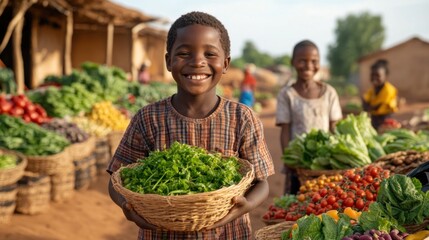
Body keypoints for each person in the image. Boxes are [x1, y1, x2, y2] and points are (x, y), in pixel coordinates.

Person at [107, 11, 274, 240]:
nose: (197, 61)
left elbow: (262, 182)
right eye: (184, 53)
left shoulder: (242, 118)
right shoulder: (148, 118)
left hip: (228, 233)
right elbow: (116, 179)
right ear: (168, 61)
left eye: (209, 53)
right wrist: (129, 207)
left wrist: (245, 205)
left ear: (225, 64)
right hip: (162, 233)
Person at [275, 40, 343, 195]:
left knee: (324, 201)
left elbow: (335, 127)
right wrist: (289, 160)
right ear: (293, 62)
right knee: (296, 202)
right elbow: (285, 130)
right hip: (298, 164)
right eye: (302, 61)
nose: (308, 66)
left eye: (314, 61)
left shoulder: (329, 93)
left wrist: (335, 157)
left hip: (325, 162)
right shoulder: (287, 94)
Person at [362, 59, 398, 130]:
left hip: (385, 121)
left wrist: (367, 106)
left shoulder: (389, 90)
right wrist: (366, 106)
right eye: (372, 75)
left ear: (385, 76)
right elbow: (364, 102)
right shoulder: (372, 90)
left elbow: (376, 107)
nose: (374, 78)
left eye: (378, 75)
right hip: (374, 119)